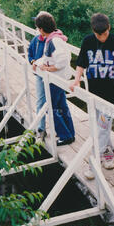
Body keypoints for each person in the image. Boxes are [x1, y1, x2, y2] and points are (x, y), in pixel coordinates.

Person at [69, 13, 114, 180]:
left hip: (111, 96)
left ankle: (93, 163)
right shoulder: (88, 41)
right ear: (93, 30)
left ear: (109, 28)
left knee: (101, 129)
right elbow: (80, 63)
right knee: (102, 129)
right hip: (94, 95)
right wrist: (77, 80)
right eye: (98, 34)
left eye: (104, 33)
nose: (101, 37)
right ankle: (108, 156)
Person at [34, 13, 75, 146]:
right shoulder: (54, 38)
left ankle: (65, 135)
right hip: (59, 79)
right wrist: (38, 63)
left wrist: (50, 68)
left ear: (41, 29)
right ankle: (70, 133)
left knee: (50, 107)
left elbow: (62, 60)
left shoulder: (53, 41)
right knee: (62, 106)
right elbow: (48, 57)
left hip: (56, 79)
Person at [28, 12, 52, 142]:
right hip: (39, 75)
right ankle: (41, 129)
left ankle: (61, 131)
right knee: (41, 100)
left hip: (52, 75)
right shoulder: (36, 39)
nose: (37, 28)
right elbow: (30, 53)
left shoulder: (53, 39)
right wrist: (32, 62)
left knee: (57, 103)